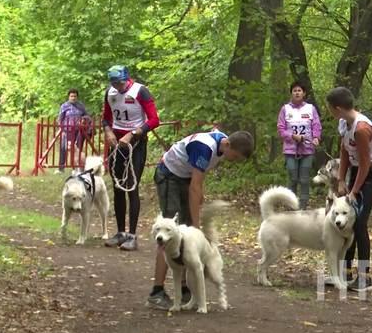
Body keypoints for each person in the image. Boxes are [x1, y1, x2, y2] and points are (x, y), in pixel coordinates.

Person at [147, 129, 255, 310]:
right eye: (234, 157)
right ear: (228, 145)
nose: (233, 161)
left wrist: (198, 199)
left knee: (184, 236)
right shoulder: (205, 147)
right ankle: (156, 292)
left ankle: (184, 288)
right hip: (169, 176)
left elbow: (198, 181)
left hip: (185, 178)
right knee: (169, 231)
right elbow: (195, 187)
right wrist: (197, 229)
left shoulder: (222, 143)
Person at [326, 86, 372, 292]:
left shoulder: (361, 129)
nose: (331, 114)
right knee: (347, 222)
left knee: (359, 222)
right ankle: (345, 272)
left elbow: (366, 164)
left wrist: (353, 192)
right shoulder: (344, 123)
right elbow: (344, 151)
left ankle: (365, 277)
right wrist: (341, 179)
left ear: (339, 108)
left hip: (371, 175)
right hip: (356, 172)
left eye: (331, 110)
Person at [102, 65, 160, 251]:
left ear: (126, 79)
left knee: (131, 186)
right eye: (113, 83)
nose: (117, 86)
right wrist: (108, 131)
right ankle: (120, 233)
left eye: (119, 83)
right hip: (117, 144)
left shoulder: (140, 91)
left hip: (136, 142)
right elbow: (106, 117)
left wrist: (134, 133)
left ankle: (133, 236)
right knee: (117, 185)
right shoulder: (109, 93)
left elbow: (154, 120)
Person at [277, 81, 322, 209]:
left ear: (304, 93)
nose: (297, 93)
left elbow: (316, 126)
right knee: (292, 178)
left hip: (307, 149)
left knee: (304, 178)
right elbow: (281, 129)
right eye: (294, 91)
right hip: (290, 150)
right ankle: (290, 205)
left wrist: (316, 138)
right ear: (291, 93)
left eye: (299, 90)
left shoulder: (310, 108)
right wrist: (292, 136)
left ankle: (303, 206)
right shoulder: (285, 109)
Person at [57, 88, 91, 173]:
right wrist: (60, 129)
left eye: (75, 96)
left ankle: (76, 168)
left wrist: (83, 119)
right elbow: (60, 118)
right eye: (71, 96)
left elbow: (87, 116)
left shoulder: (81, 106)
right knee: (64, 148)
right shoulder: (64, 106)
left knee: (77, 149)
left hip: (78, 131)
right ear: (68, 97)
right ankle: (61, 168)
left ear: (77, 97)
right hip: (66, 130)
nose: (73, 98)